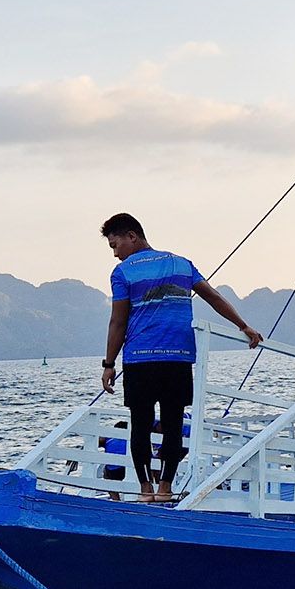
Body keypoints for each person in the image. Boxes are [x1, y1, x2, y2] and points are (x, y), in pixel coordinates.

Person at [99, 213, 262, 503]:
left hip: (139, 358)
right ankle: (166, 488)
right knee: (173, 423)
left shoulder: (123, 273)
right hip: (178, 357)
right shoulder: (181, 264)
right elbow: (213, 297)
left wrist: (109, 364)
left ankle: (145, 490)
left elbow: (118, 322)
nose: (115, 253)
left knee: (141, 423)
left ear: (132, 236)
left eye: (115, 245)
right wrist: (242, 325)